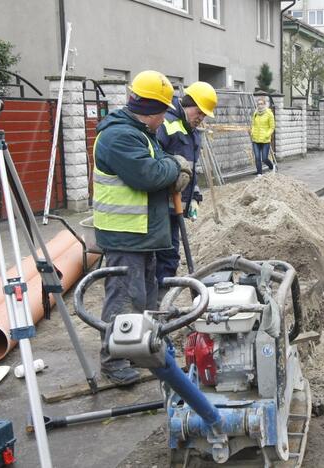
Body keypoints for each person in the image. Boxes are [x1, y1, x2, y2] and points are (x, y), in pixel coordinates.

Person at [92, 70, 192, 385]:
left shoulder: (140, 133)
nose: (164, 118)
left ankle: (143, 349)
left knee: (147, 298)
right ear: (149, 109)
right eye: (162, 111)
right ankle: (114, 361)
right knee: (124, 299)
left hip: (142, 234)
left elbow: (160, 164)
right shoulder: (119, 136)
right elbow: (150, 175)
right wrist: (176, 166)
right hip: (125, 237)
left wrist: (169, 166)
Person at [155, 81, 217, 288]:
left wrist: (195, 197)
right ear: (187, 104)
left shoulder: (192, 132)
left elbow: (190, 169)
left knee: (171, 255)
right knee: (166, 257)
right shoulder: (167, 125)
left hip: (177, 206)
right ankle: (159, 304)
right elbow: (156, 166)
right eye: (198, 113)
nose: (201, 118)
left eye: (204, 115)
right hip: (161, 206)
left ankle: (162, 300)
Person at [250, 97, 275, 175]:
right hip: (255, 139)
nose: (259, 105)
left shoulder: (269, 113)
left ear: (264, 104)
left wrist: (267, 135)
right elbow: (253, 124)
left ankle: (271, 167)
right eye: (258, 104)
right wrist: (252, 132)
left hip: (265, 140)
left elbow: (272, 127)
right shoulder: (255, 113)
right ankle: (259, 174)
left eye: (261, 104)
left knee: (264, 158)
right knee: (257, 158)